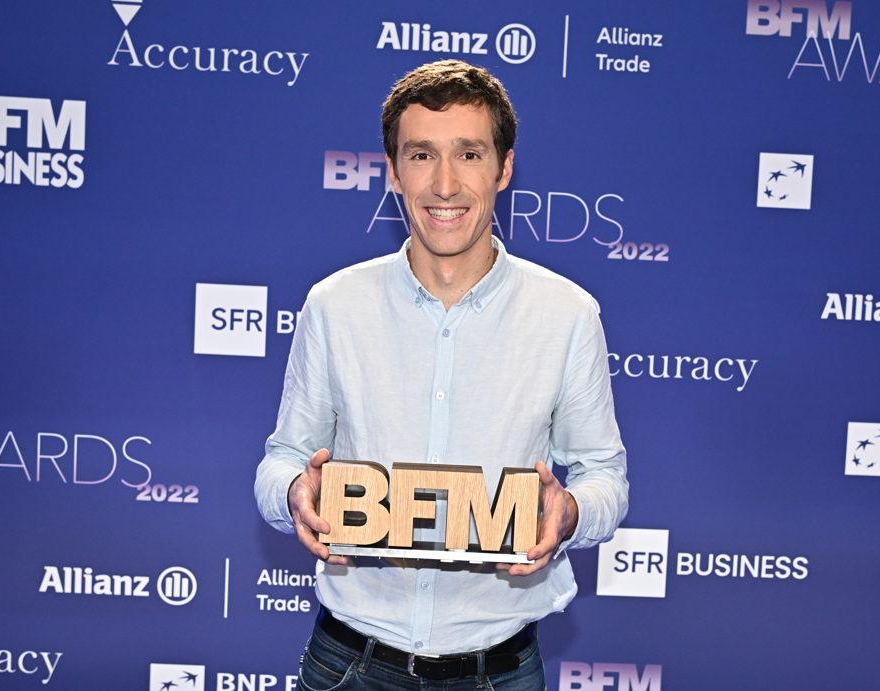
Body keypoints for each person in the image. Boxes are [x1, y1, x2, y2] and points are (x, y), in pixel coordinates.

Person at [255, 59, 627, 691]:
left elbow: (604, 477)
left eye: (470, 154)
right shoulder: (334, 305)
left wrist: (569, 512)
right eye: (422, 155)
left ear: (504, 168)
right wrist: (295, 491)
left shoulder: (566, 314)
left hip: (500, 669)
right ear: (393, 171)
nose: (445, 183)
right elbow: (284, 460)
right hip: (348, 664)